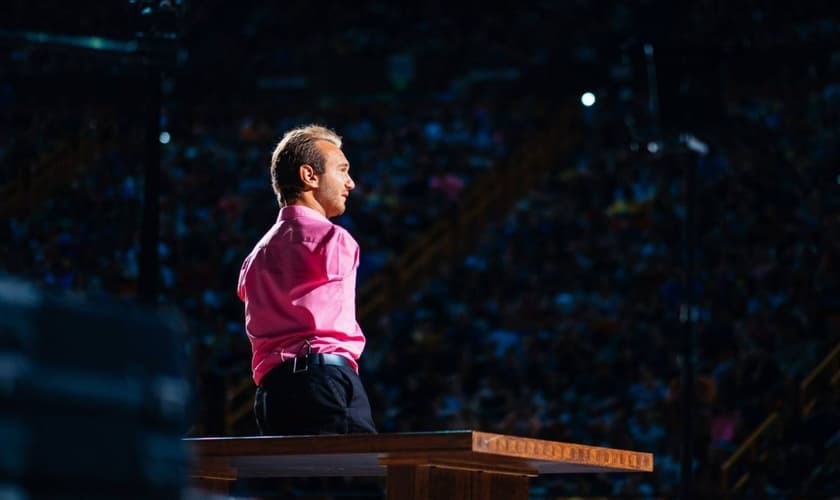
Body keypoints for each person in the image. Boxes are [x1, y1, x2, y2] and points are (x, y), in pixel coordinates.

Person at [237, 124, 377, 435]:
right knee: (358, 480)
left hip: (271, 394)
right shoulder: (333, 240)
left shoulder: (254, 257)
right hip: (325, 381)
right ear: (309, 176)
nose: (351, 183)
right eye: (342, 170)